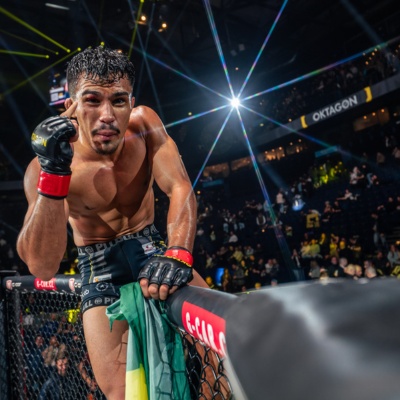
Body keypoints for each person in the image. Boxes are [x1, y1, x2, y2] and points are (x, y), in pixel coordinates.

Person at [17, 46, 210, 399]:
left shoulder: (144, 124)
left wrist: (179, 252)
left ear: (130, 102)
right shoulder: (40, 169)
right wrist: (54, 171)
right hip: (99, 270)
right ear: (70, 107)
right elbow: (42, 266)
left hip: (155, 252)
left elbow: (179, 186)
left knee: (218, 356)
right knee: (123, 393)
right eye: (92, 100)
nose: (107, 115)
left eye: (118, 101)